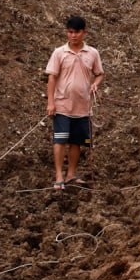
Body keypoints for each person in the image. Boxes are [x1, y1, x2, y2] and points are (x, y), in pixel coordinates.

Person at [44, 15, 104, 189]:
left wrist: (95, 84)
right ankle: (59, 176)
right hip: (62, 104)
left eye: (76, 32)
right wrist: (50, 102)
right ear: (67, 33)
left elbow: (99, 74)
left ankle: (71, 174)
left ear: (84, 32)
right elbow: (52, 78)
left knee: (76, 142)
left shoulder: (92, 53)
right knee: (60, 140)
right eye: (70, 32)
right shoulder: (59, 53)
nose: (73, 35)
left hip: (83, 106)